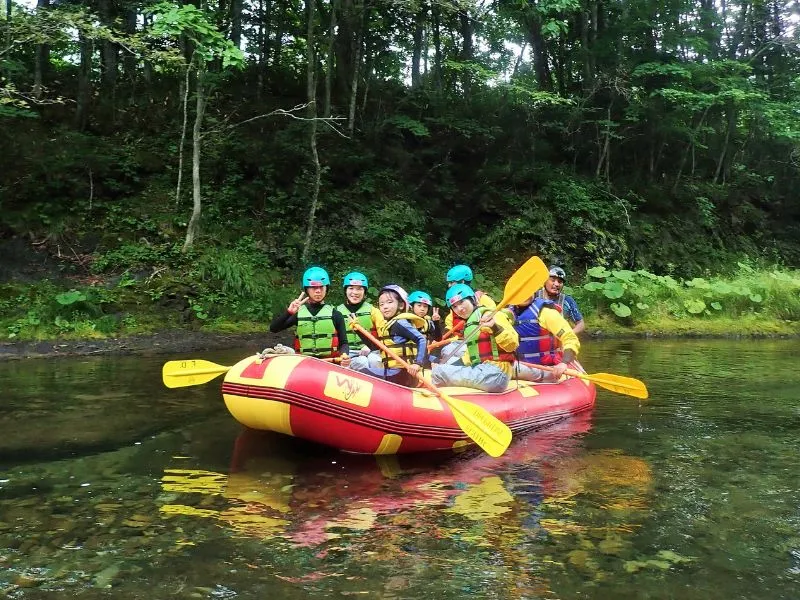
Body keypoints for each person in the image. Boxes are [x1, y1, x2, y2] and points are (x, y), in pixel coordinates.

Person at [431, 284, 519, 393]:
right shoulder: (471, 323)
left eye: (462, 302)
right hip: (483, 370)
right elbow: (468, 358)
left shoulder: (492, 315)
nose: (459, 308)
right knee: (441, 368)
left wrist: (495, 327)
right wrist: (446, 367)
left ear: (472, 299)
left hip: (495, 374)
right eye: (454, 306)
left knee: (439, 372)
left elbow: (513, 345)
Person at [349, 284, 428, 387]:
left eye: (389, 302)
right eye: (381, 304)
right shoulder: (390, 325)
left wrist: (417, 363)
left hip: (403, 374)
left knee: (362, 372)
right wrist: (358, 329)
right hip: (396, 373)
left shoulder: (400, 323)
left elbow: (421, 339)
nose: (385, 307)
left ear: (401, 305)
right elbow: (375, 348)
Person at [269, 266, 351, 365]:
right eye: (313, 287)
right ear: (307, 289)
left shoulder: (336, 314)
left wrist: (344, 355)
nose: (318, 291)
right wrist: (289, 312)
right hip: (304, 363)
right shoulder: (299, 314)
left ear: (326, 288)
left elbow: (344, 343)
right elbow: (274, 329)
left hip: (330, 363)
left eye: (321, 287)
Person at [511, 286, 581, 382]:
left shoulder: (546, 312)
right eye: (521, 292)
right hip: (518, 366)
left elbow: (570, 338)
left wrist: (564, 363)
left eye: (528, 290)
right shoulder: (507, 313)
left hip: (546, 368)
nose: (525, 295)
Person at [440, 264, 496, 362]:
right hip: (460, 342)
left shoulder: (483, 299)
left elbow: (496, 318)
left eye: (451, 282)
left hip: (481, 343)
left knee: (448, 352)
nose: (449, 286)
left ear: (462, 282)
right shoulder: (455, 303)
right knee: (446, 351)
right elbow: (450, 323)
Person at [335, 271, 382, 364]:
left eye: (359, 289)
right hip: (348, 352)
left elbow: (383, 333)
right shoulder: (337, 312)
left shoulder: (373, 311)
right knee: (362, 361)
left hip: (371, 350)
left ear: (364, 292)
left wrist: (369, 346)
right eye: (351, 288)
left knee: (376, 361)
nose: (355, 292)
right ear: (345, 290)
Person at [535, 266, 585, 334]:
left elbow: (581, 324)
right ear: (545, 281)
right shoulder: (534, 297)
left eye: (560, 281)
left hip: (558, 341)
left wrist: (567, 335)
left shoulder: (567, 301)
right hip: (537, 340)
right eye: (553, 280)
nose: (556, 284)